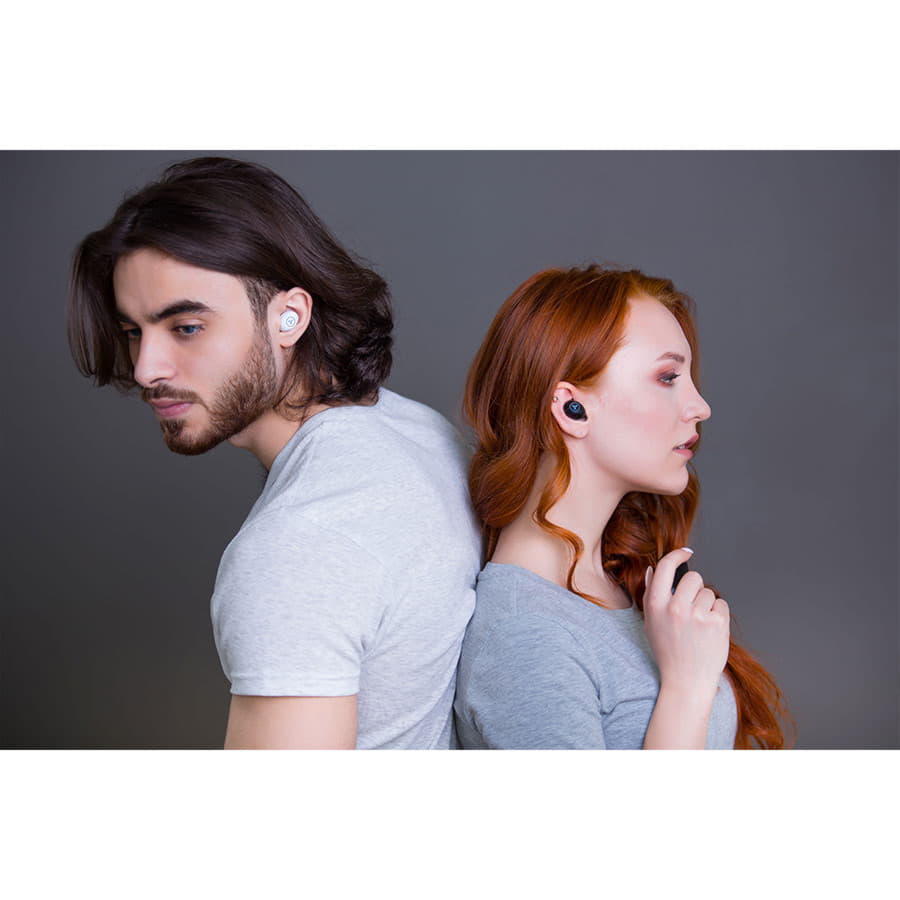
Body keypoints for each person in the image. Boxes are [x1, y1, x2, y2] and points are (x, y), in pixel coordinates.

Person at [68, 156, 481, 749]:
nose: (146, 369)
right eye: (135, 331)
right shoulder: (419, 431)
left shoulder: (298, 545)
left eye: (186, 327)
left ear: (290, 316)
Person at [453, 265, 792, 749]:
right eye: (668, 377)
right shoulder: (525, 636)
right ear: (572, 408)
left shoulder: (615, 583)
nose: (700, 407)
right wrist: (687, 687)